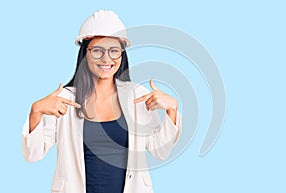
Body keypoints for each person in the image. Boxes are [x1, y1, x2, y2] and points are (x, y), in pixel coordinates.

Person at [22, 10, 182, 193]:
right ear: (85, 53)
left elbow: (159, 150)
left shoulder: (136, 96)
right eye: (97, 50)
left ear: (122, 55)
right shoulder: (65, 100)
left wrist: (172, 111)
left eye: (114, 51)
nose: (106, 59)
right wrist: (36, 111)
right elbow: (33, 154)